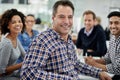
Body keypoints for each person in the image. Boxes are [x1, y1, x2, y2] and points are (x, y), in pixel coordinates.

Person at [20, 0, 112, 80]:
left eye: (70, 17)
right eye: (62, 17)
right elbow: (27, 73)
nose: (67, 21)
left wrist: (98, 72)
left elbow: (75, 64)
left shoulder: (68, 39)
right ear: (53, 18)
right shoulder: (43, 40)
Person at [0, 9, 26, 80]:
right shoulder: (7, 44)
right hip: (5, 77)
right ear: (8, 26)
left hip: (14, 74)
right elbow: (1, 70)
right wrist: (22, 64)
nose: (18, 24)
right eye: (13, 22)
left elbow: (25, 56)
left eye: (19, 21)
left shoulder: (16, 39)